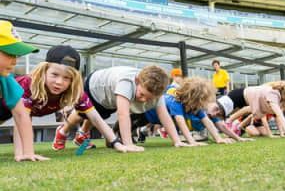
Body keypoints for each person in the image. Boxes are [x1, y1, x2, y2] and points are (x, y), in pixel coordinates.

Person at [16, 45, 128, 154]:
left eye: (66, 78)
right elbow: (22, 118)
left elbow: (96, 118)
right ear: (44, 71)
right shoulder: (29, 85)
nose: (59, 82)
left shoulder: (76, 93)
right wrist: (24, 152)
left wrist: (116, 143)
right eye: (54, 74)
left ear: (73, 80)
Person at [59, 65, 188, 152]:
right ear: (137, 80)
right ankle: (62, 132)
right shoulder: (126, 82)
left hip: (109, 97)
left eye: (148, 99)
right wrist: (128, 144)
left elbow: (164, 115)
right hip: (95, 87)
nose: (143, 100)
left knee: (98, 116)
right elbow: (123, 115)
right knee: (84, 113)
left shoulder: (157, 91)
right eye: (142, 95)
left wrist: (177, 141)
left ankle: (81, 136)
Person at [120, 77, 232, 146]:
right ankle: (119, 134)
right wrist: (191, 141)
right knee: (134, 123)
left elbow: (207, 121)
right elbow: (180, 121)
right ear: (192, 98)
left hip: (158, 119)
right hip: (148, 112)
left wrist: (218, 138)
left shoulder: (194, 106)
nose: (202, 105)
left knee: (136, 124)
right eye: (201, 101)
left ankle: (126, 134)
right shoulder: (175, 101)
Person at [0, 20, 49, 162]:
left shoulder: (6, 78)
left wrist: (28, 152)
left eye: (17, 56)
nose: (15, 61)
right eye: (10, 54)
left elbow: (21, 114)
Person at [207, 77, 285, 139]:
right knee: (211, 111)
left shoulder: (283, 99)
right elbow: (280, 115)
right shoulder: (273, 94)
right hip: (236, 97)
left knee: (214, 116)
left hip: (243, 102)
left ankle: (229, 128)